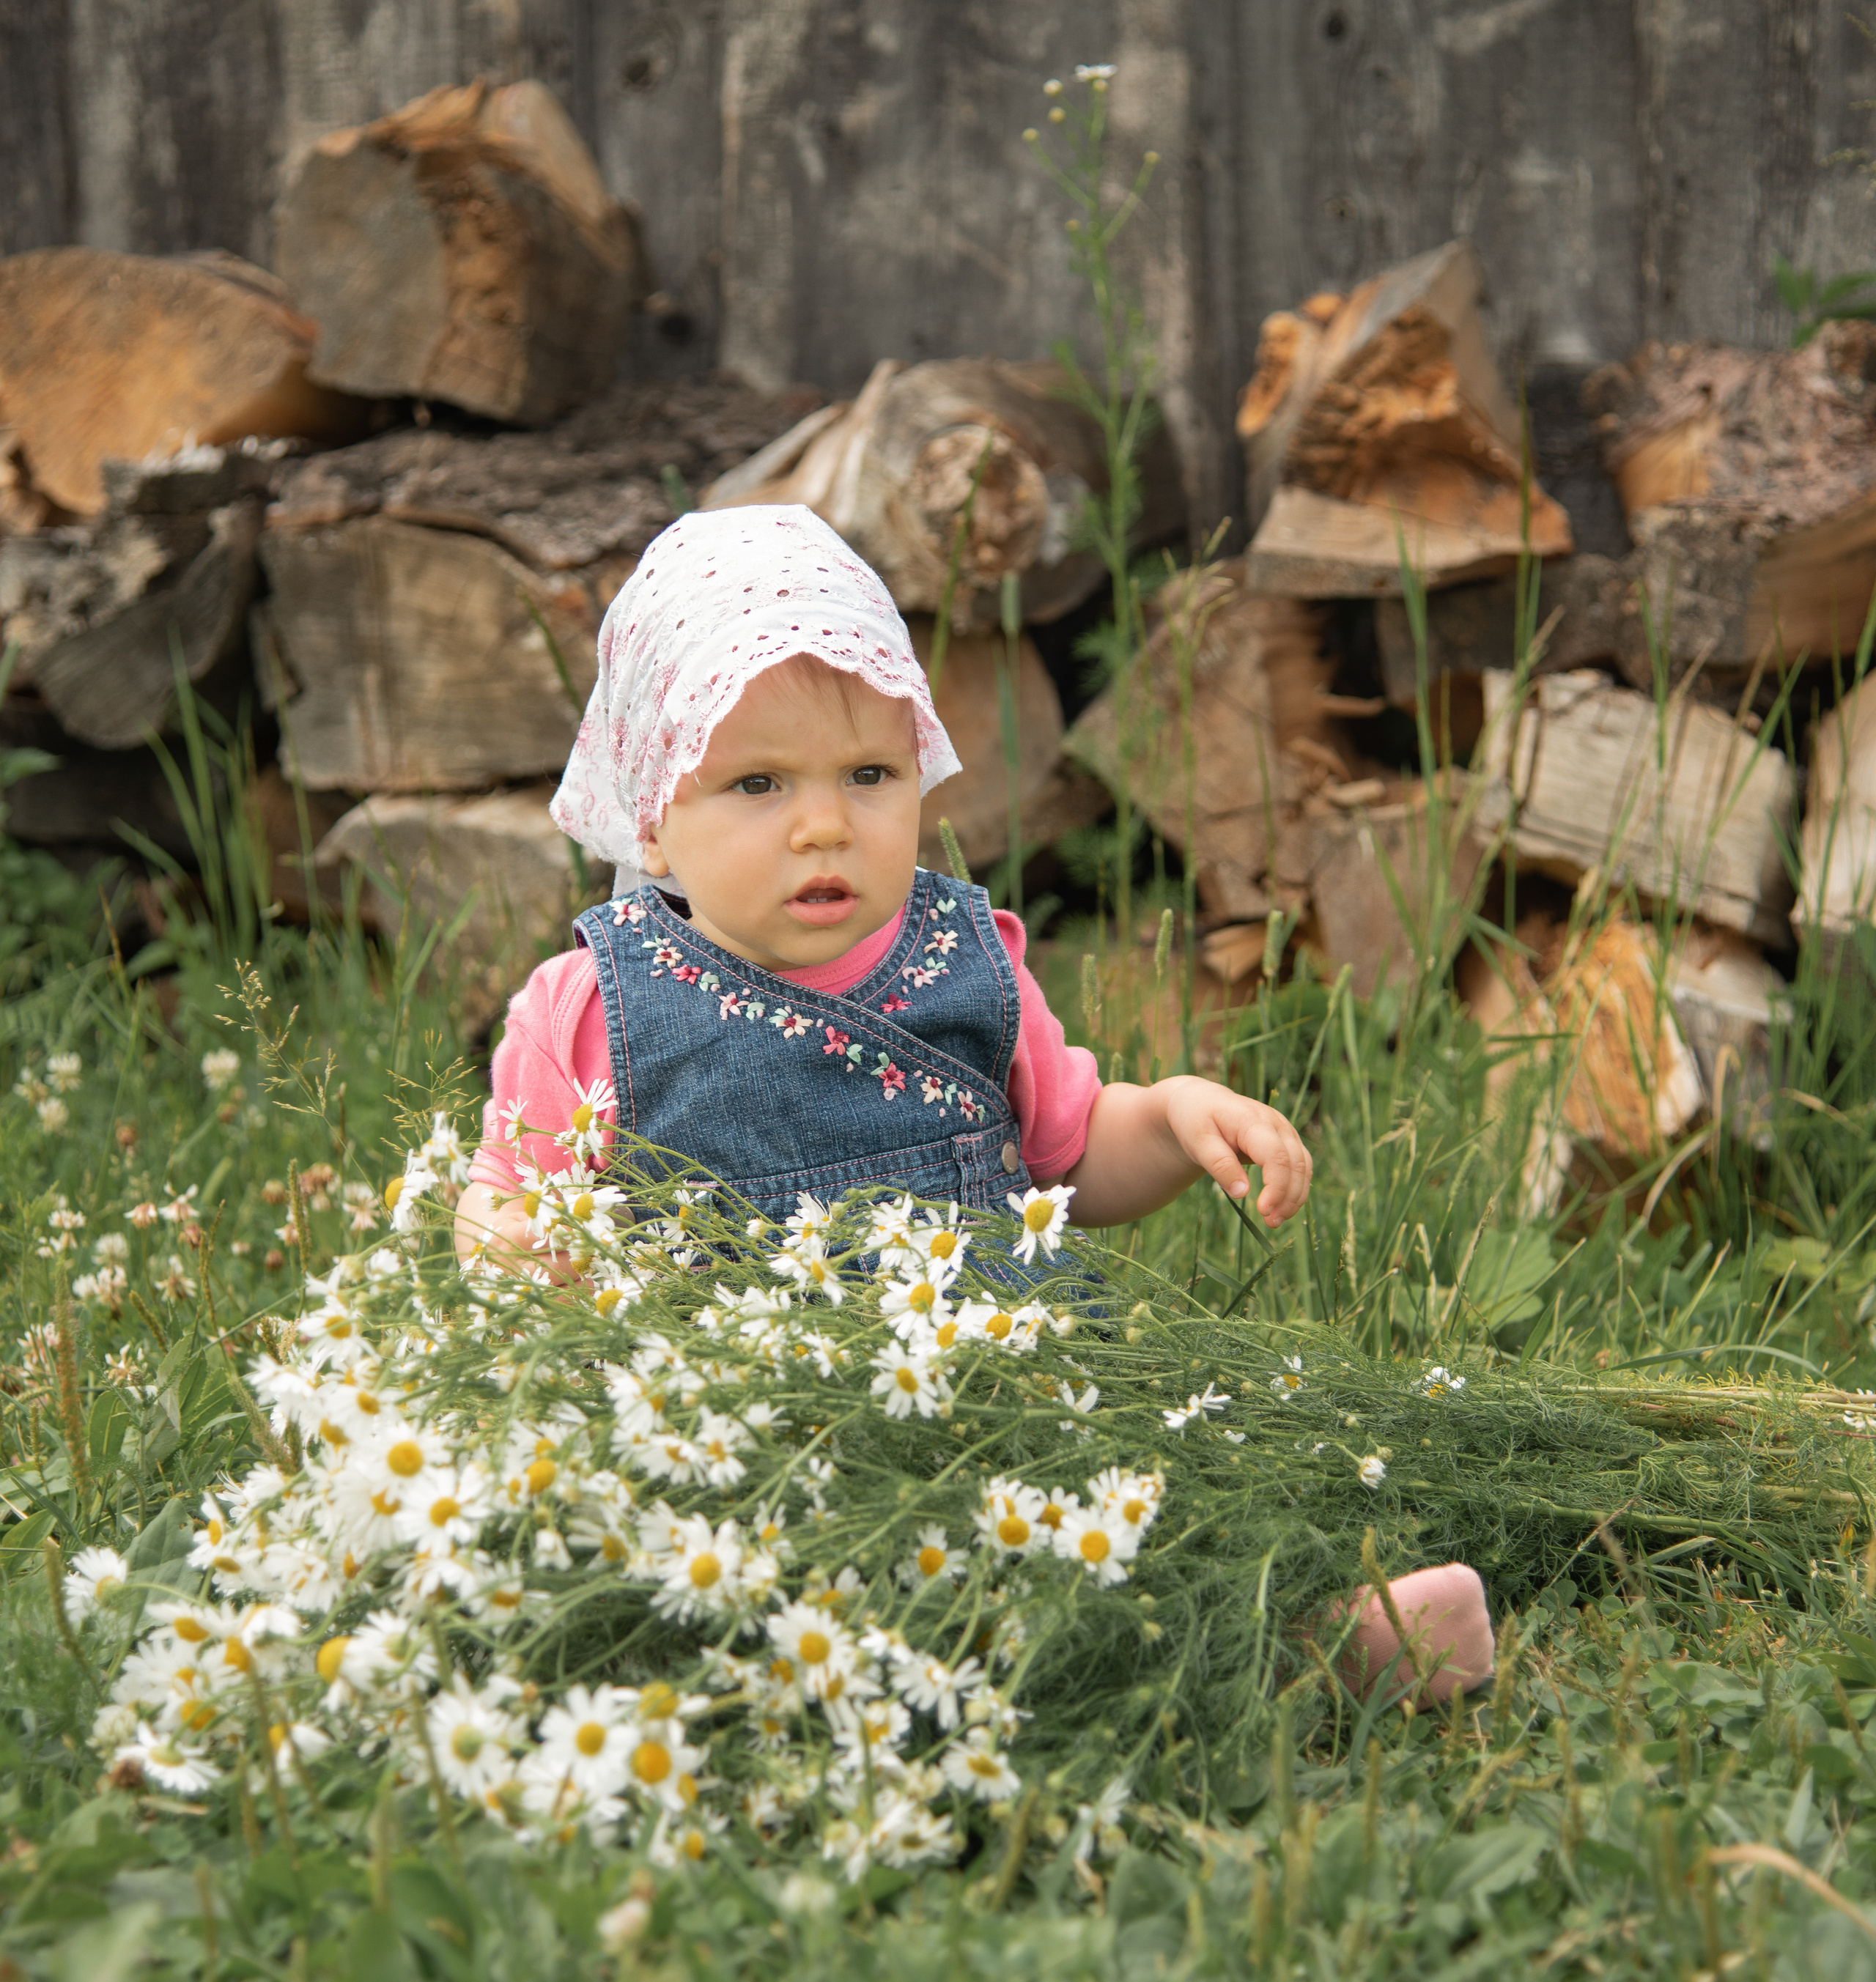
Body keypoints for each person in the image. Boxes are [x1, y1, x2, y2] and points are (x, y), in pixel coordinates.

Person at [451, 503, 1492, 1703]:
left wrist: (1169, 1119)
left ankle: (1294, 1631)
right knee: (826, 1564)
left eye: (869, 772)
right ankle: (1032, 1674)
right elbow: (505, 1203)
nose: (825, 821)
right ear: (651, 814)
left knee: (1162, 1485)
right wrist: (514, 1245)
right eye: (756, 781)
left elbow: (1068, 1156)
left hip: (1013, 1391)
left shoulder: (965, 959)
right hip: (759, 1433)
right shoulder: (590, 1006)